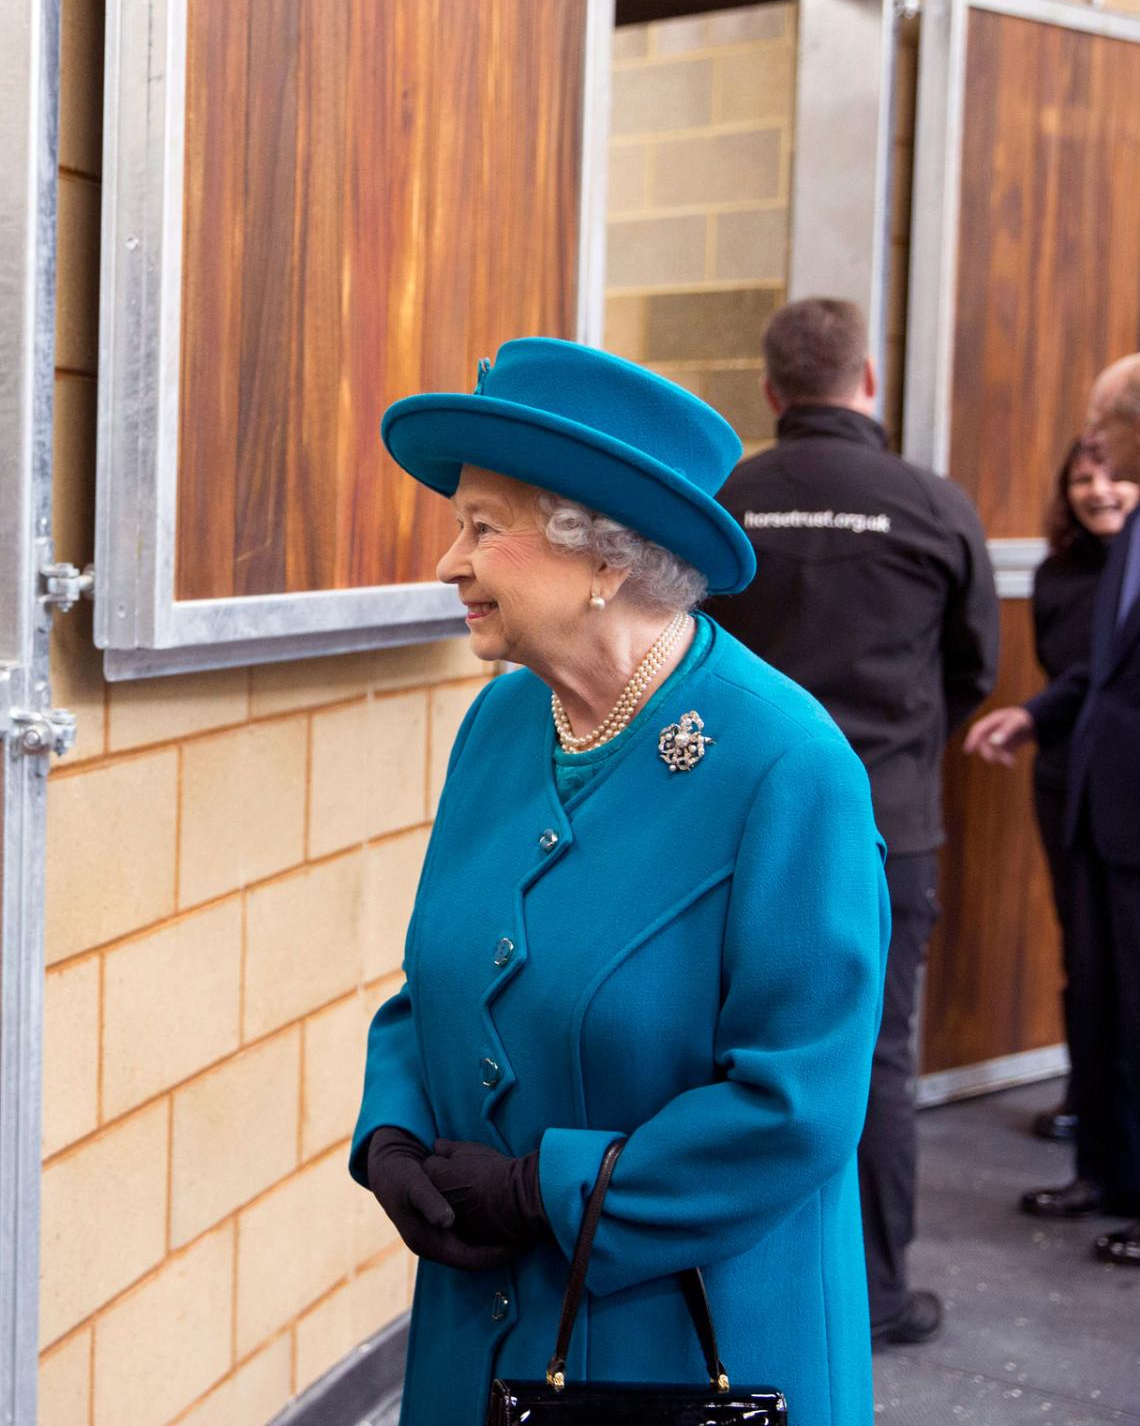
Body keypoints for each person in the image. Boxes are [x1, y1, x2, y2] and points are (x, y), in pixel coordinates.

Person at [352, 338, 887, 1426]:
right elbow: (435, 982)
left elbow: (794, 1107)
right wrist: (392, 1132)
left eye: (483, 527)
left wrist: (545, 1190)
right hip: (482, 1319)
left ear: (606, 558)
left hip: (687, 1345)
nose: (450, 561)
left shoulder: (787, 766)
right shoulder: (506, 721)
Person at [701, 296, 997, 1347]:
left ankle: (729, 1282)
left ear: (773, 390)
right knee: (872, 1056)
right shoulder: (931, 502)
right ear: (866, 379)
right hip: (884, 823)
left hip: (728, 824)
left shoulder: (723, 500)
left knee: (728, 1047)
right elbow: (974, 669)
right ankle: (871, 1294)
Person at [967, 350, 1140, 1267]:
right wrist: (1035, 715)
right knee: (1104, 1000)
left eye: (1103, 426)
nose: (1094, 444)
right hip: (1101, 811)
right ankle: (1110, 1174)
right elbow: (1112, 667)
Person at [1025, 438, 1140, 1144]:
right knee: (1083, 950)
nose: (1098, 490)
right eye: (1082, 478)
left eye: (1114, 475)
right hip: (1066, 777)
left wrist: (1031, 715)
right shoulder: (1054, 573)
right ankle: (1089, 1096)